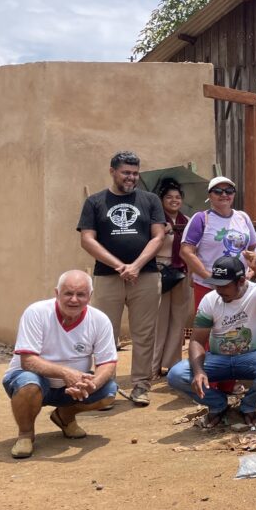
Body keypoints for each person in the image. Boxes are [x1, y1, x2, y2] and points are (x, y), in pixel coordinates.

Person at [78, 150, 165, 407]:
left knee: (144, 333)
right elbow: (87, 239)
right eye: (126, 172)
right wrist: (120, 266)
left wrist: (136, 266)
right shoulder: (95, 202)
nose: (131, 177)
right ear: (112, 171)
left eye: (135, 173)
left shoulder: (150, 200)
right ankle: (106, 388)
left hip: (145, 276)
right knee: (105, 334)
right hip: (107, 277)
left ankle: (141, 385)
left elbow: (158, 237)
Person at [2, 271, 119, 459]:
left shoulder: (100, 320)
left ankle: (65, 416)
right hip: (31, 379)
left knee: (108, 392)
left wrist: (92, 384)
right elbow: (27, 360)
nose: (74, 299)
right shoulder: (36, 312)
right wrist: (65, 373)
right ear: (57, 293)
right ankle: (25, 434)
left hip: (72, 385)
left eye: (80, 294)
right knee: (29, 384)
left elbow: (108, 362)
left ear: (89, 296)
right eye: (68, 293)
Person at [167, 251, 256, 429]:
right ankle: (218, 404)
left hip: (251, 358)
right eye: (216, 285)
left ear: (241, 281)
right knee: (176, 375)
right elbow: (197, 341)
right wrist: (199, 371)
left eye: (224, 285)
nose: (219, 290)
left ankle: (249, 405)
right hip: (218, 360)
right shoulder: (210, 300)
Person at [180, 175, 256, 309]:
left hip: (239, 285)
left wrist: (251, 271)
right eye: (218, 191)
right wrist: (210, 278)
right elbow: (186, 252)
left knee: (240, 327)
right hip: (209, 287)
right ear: (209, 196)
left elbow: (253, 246)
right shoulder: (201, 218)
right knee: (209, 327)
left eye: (229, 191)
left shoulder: (243, 217)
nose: (224, 194)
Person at [151, 178, 191, 381]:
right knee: (159, 320)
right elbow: (146, 246)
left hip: (182, 273)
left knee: (178, 320)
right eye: (169, 197)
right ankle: (153, 365)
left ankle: (172, 364)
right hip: (160, 271)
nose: (174, 200)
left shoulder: (188, 221)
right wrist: (162, 231)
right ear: (161, 199)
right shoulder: (156, 221)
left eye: (178, 197)